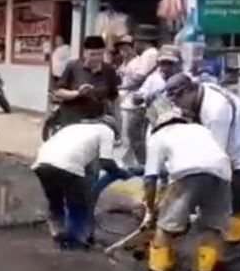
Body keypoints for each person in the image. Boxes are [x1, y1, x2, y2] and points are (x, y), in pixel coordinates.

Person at [165, 73, 240, 254]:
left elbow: (216, 158)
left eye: (178, 100)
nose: (177, 106)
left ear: (189, 92)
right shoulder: (202, 94)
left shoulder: (216, 111)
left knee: (231, 201)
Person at [142, 107, 233, 271]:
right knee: (213, 226)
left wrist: (150, 210)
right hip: (221, 174)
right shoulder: (200, 129)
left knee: (166, 226)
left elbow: (150, 179)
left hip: (187, 175)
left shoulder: (157, 138)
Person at [33, 116, 130, 249]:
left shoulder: (73, 127)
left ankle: (58, 233)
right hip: (68, 166)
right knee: (77, 205)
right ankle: (74, 242)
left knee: (55, 201)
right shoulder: (106, 131)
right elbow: (106, 161)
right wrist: (120, 173)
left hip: (42, 163)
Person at [52, 35, 121, 129]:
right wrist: (77, 93)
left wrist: (117, 122)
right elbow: (58, 92)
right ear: (84, 53)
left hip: (97, 121)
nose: (96, 58)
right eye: (92, 54)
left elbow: (114, 98)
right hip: (73, 120)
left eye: (100, 54)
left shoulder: (108, 70)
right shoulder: (73, 66)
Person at [115, 36, 159, 168]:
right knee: (128, 134)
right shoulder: (127, 62)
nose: (123, 51)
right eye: (121, 49)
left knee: (131, 134)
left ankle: (139, 162)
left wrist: (124, 74)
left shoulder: (144, 57)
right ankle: (130, 162)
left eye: (126, 48)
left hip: (136, 102)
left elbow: (138, 79)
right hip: (127, 101)